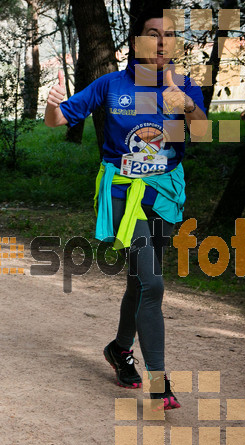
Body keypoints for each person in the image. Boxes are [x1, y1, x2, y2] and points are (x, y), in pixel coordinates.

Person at [44, 8, 208, 410]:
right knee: (152, 284)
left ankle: (120, 349)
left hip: (165, 192)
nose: (161, 41)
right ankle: (159, 381)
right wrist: (51, 105)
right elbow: (57, 119)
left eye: (168, 35)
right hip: (123, 193)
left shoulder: (185, 85)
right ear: (138, 41)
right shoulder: (111, 84)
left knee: (139, 282)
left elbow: (202, 132)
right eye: (152, 34)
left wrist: (184, 102)